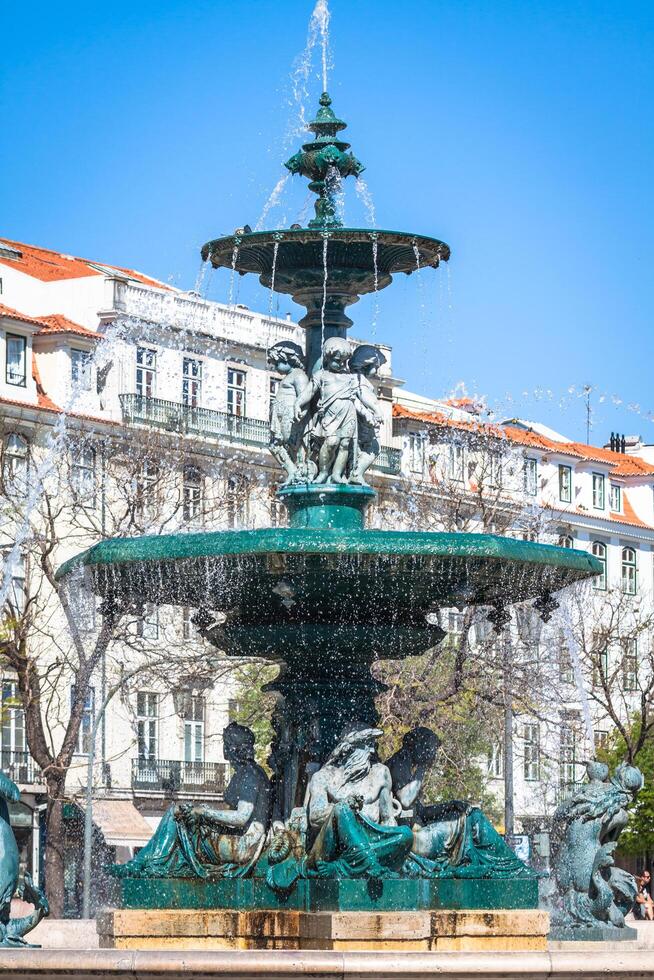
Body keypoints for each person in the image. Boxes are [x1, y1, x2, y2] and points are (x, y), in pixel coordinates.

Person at [111, 723, 270, 879]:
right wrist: (202, 811)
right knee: (182, 814)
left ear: (232, 748)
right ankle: (146, 863)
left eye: (225, 743)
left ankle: (146, 864)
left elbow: (242, 817)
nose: (224, 747)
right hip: (236, 837)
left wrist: (205, 812)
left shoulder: (250, 775)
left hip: (244, 845)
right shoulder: (245, 772)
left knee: (178, 815)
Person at [266, 727, 413, 893]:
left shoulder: (381, 773)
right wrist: (346, 808)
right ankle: (368, 863)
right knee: (342, 808)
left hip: (369, 842)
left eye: (373, 744)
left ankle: (342, 866)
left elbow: (388, 819)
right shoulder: (324, 776)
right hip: (330, 848)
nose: (372, 750)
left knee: (406, 834)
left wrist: (393, 843)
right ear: (347, 748)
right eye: (366, 745)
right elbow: (315, 818)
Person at [294, 337, 378, 484]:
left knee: (345, 444)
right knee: (331, 442)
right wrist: (297, 404)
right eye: (337, 360)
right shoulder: (321, 375)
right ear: (327, 357)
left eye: (344, 361)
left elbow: (362, 396)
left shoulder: (351, 378)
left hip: (348, 412)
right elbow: (309, 392)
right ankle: (323, 472)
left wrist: (373, 410)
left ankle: (337, 474)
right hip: (330, 414)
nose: (340, 364)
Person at [267, 341, 310, 485]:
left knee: (293, 445)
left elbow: (304, 396)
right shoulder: (289, 376)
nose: (275, 367)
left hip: (291, 417)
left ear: (288, 359)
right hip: (281, 417)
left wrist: (300, 413)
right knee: (275, 445)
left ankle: (298, 471)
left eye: (277, 362)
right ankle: (292, 471)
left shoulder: (299, 375)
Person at [348, 344, 385, 486]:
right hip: (365, 422)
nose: (377, 370)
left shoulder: (352, 378)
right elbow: (365, 397)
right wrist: (377, 411)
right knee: (373, 448)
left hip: (360, 420)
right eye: (376, 366)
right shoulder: (359, 379)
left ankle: (354, 472)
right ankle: (356, 473)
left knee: (358, 449)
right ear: (366, 364)